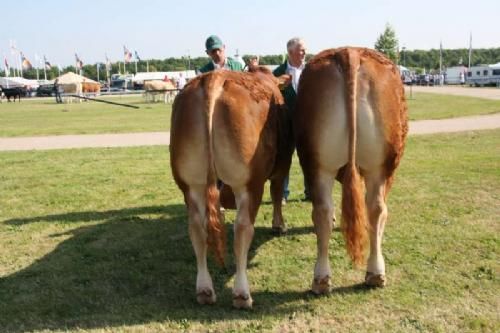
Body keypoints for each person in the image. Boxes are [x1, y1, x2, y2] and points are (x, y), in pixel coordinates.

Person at [273, 37, 310, 203]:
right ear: (290, 52)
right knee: (283, 158)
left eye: (304, 49)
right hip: (285, 123)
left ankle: (311, 191)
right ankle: (282, 194)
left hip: (307, 124)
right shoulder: (277, 73)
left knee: (309, 157)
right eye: (301, 49)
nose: (304, 52)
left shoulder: (312, 70)